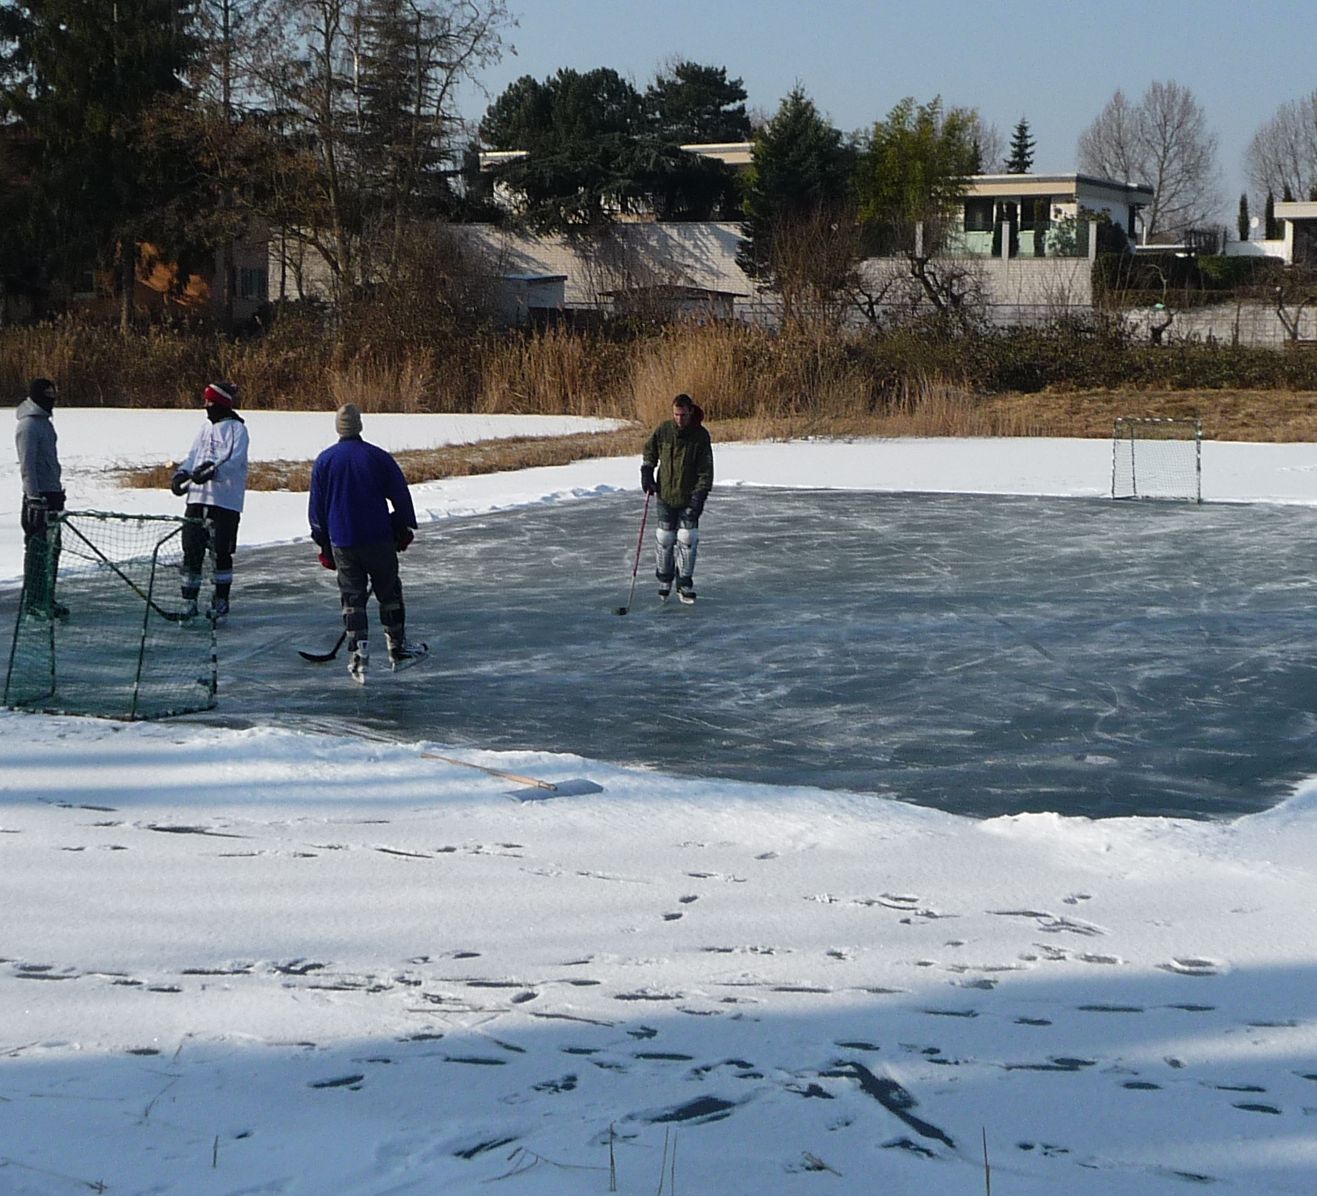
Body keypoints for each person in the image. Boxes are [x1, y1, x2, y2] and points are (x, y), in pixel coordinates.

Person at [308, 403, 425, 683]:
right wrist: (404, 526)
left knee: (352, 598)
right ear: (359, 426)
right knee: (389, 593)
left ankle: (358, 656)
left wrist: (323, 544)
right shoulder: (377, 457)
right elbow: (400, 495)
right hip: (378, 539)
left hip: (343, 541)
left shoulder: (324, 461)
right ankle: (397, 649)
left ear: (339, 428)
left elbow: (317, 511)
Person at [170, 381, 249, 622]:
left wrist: (213, 472)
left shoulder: (237, 429)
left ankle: (221, 600)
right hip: (197, 500)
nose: (206, 406)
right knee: (191, 551)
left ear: (221, 403)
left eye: (210, 402)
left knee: (221, 553)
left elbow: (232, 460)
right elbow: (194, 456)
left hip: (224, 502)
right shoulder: (204, 428)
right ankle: (189, 601)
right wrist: (183, 473)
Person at [641, 392, 714, 604]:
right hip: (665, 494)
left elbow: (705, 470)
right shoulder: (664, 430)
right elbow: (650, 450)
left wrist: (699, 495)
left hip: (689, 496)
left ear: (690, 411)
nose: (679, 419)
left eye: (682, 414)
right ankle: (664, 580)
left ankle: (684, 583)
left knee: (687, 538)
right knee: (664, 538)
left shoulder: (700, 436)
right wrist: (647, 470)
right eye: (676, 414)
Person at [15, 377, 68, 619]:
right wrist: (34, 497)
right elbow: (27, 466)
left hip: (53, 493)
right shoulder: (28, 426)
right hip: (39, 498)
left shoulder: (45, 423)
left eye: (53, 394)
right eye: (47, 394)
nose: (52, 399)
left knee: (53, 548)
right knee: (38, 550)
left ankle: (48, 596)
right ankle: (35, 601)